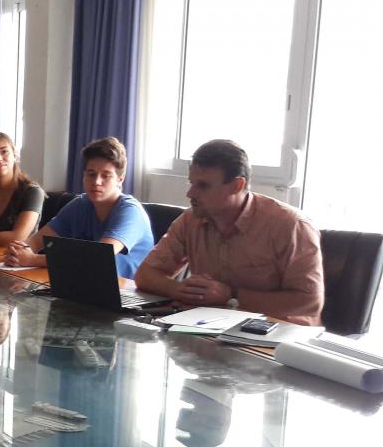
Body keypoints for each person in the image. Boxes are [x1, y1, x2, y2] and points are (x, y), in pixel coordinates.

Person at [135, 139, 324, 325]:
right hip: (211, 327)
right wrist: (177, 289)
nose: (190, 194)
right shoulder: (191, 219)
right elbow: (145, 275)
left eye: (203, 186)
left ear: (237, 186)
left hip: (278, 338)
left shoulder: (290, 226)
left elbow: (310, 303)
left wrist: (231, 295)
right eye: (191, 183)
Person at [4, 136, 153, 278]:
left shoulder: (130, 212)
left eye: (106, 175)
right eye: (91, 174)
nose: (97, 182)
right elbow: (37, 241)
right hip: (88, 284)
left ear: (120, 179)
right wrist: (18, 252)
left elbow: (97, 257)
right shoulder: (80, 205)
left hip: (129, 293)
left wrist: (33, 259)